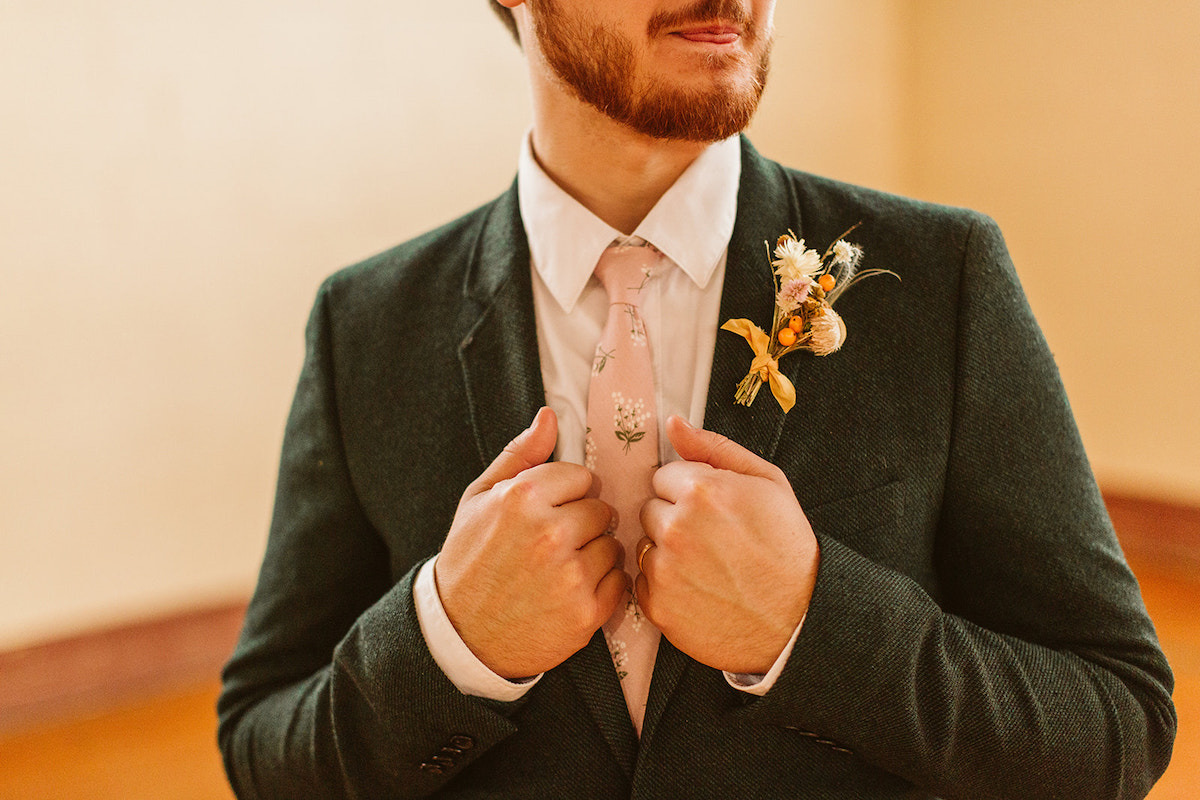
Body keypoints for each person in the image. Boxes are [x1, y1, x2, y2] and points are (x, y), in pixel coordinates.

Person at [217, 1, 1177, 797]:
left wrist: (815, 625)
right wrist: (447, 645)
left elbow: (1116, 724)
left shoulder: (939, 278)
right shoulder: (366, 324)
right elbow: (266, 750)